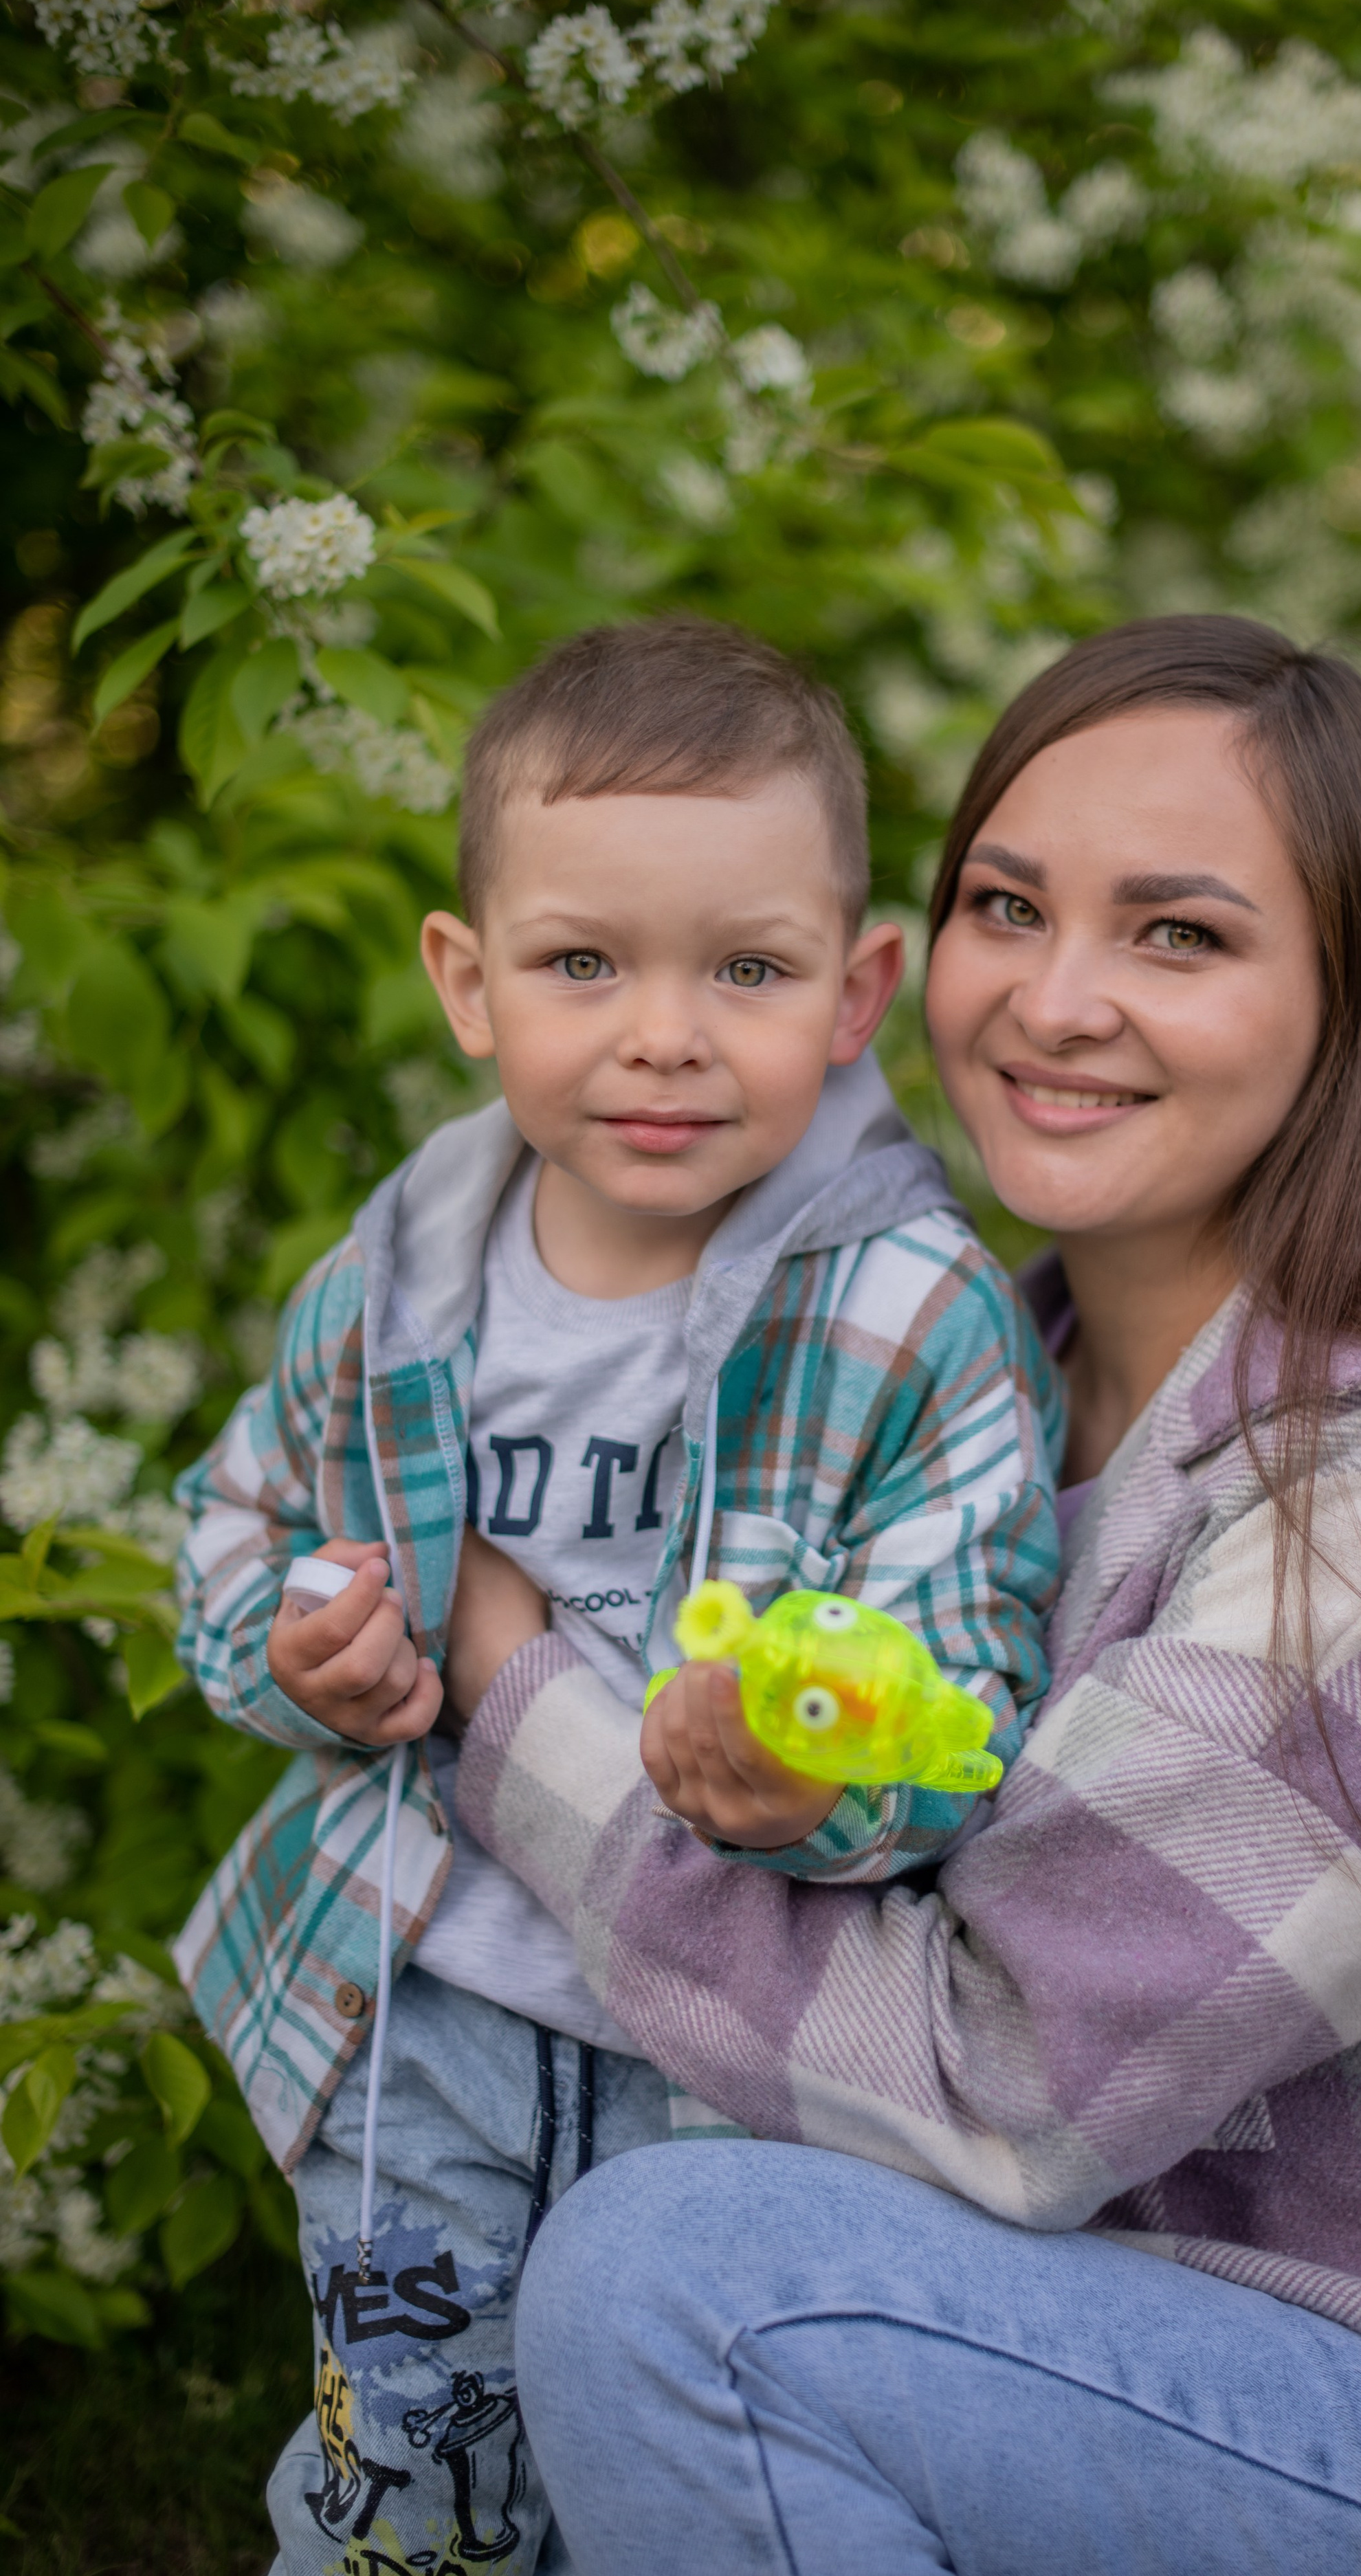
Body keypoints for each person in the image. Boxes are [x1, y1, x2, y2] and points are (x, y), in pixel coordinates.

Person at [443, 616, 1361, 2576]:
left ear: (1350, 1000)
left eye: (1182, 936)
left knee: (688, 2284)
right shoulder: (990, 1382)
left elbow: (1003, 2088)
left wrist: (504, 1663)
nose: (1059, 1000)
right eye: (1008, 905)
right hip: (1161, 2358)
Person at [170, 617, 1061, 2576]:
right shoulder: (399, 1281)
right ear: (468, 985)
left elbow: (971, 1681)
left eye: (745, 969)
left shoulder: (911, 1315)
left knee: (680, 2473)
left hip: (738, 2052)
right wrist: (300, 1653)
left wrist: (829, 1785)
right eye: (584, 965)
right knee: (410, 2487)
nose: (664, 1033)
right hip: (426, 2007)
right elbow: (236, 1527)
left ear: (857, 993)